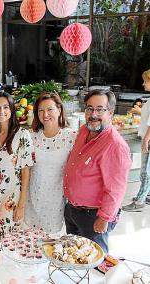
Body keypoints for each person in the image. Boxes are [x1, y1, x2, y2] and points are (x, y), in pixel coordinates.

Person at [64, 89, 131, 253]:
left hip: (94, 216)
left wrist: (104, 218)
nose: (93, 114)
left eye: (100, 109)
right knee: (73, 256)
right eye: (89, 108)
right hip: (73, 210)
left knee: (93, 263)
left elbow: (116, 189)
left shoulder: (115, 145)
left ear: (111, 113)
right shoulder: (84, 131)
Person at [0, 92, 34, 250]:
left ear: (12, 110)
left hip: (11, 197)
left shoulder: (22, 135)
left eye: (6, 107)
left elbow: (26, 172)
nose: (1, 111)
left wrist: (21, 204)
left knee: (8, 242)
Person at [25, 92, 76, 234]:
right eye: (40, 110)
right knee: (31, 245)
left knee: (51, 244)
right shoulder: (31, 136)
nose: (45, 114)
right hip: (32, 200)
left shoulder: (71, 136)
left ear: (59, 110)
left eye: (50, 109)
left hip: (56, 202)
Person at [123, 69, 150, 211]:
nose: (143, 83)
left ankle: (139, 202)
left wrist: (146, 139)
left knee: (145, 171)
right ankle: (146, 195)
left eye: (146, 81)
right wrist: (139, 111)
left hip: (149, 140)